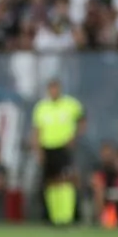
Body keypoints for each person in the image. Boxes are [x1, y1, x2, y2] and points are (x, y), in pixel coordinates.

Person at [31, 78, 85, 226]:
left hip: (63, 148)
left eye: (56, 88)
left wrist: (74, 137)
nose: (53, 91)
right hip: (47, 148)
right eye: (51, 88)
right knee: (49, 182)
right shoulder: (41, 107)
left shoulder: (71, 104)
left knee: (66, 180)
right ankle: (52, 217)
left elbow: (82, 120)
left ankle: (68, 216)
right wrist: (37, 150)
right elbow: (37, 130)